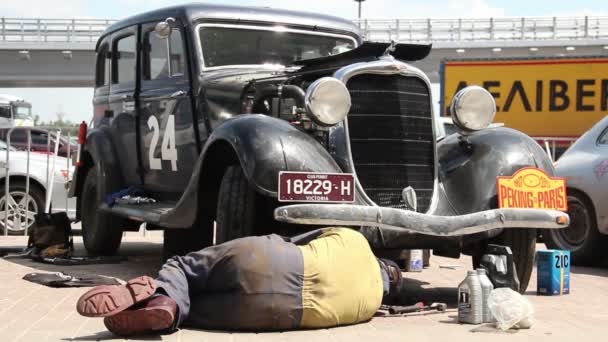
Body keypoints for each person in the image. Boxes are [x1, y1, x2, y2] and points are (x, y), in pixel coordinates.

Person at [76, 227, 403, 336]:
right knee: (193, 312)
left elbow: (296, 239)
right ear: (388, 285)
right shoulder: (371, 305)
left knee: (183, 267)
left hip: (272, 261)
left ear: (382, 261)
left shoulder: (355, 240)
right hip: (276, 313)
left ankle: (163, 297)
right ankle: (169, 315)